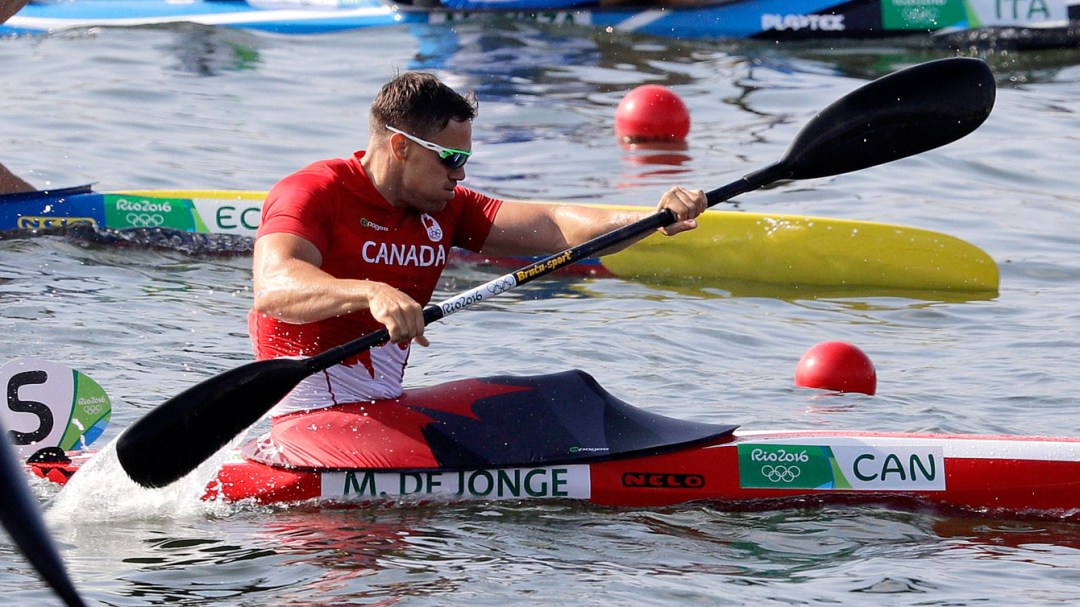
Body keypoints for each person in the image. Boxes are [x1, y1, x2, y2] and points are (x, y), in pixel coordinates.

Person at [246, 72, 705, 467]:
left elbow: (555, 223)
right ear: (402, 146)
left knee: (563, 396)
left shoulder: (447, 208)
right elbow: (275, 286)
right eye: (451, 159)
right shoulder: (312, 192)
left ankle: (671, 456)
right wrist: (370, 293)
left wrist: (654, 218)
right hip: (309, 421)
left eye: (465, 159)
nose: (460, 175)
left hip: (381, 410)